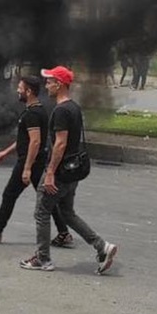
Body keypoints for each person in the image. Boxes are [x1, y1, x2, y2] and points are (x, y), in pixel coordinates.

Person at [20, 66, 117, 274]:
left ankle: (43, 259)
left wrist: (50, 173)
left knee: (42, 212)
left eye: (50, 81)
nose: (47, 85)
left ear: (60, 84)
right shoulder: (73, 107)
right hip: (73, 170)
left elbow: (60, 144)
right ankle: (102, 246)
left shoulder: (62, 110)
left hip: (61, 172)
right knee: (67, 213)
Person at [0, 76, 73, 247]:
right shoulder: (36, 110)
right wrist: (6, 151)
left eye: (20, 88)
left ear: (29, 91)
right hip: (36, 161)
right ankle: (64, 232)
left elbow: (34, 142)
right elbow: (26, 140)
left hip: (30, 161)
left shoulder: (33, 114)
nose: (17, 91)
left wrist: (27, 168)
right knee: (46, 199)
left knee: (9, 195)